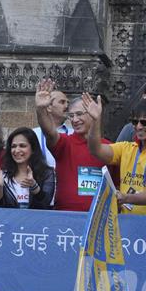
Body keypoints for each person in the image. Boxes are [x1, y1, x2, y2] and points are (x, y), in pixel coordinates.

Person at [87, 96, 146, 216]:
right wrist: (95, 121)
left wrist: (126, 198)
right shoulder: (127, 148)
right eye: (135, 122)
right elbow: (96, 150)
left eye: (144, 122)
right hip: (127, 223)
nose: (138, 127)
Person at [35, 80, 112, 212]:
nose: (75, 120)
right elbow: (50, 133)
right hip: (65, 219)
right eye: (71, 116)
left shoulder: (109, 148)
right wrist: (41, 109)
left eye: (80, 114)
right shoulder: (65, 143)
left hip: (99, 219)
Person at [0, 127, 55, 209]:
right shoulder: (3, 175)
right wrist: (0, 187)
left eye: (22, 146)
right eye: (13, 146)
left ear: (33, 148)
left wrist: (34, 187)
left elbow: (46, 204)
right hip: (10, 221)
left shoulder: (47, 173)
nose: (16, 150)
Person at [32, 88, 70, 168]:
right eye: (62, 102)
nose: (67, 106)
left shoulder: (73, 133)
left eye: (68, 103)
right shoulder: (33, 134)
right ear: (49, 107)